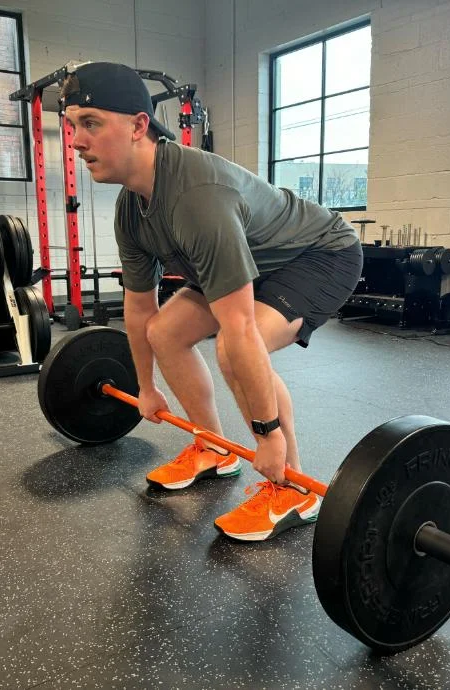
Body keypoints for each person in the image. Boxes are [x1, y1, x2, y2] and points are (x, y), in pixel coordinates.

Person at [60, 62, 363, 541]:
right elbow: (141, 309)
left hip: (316, 255)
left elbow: (240, 331)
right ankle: (214, 448)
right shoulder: (132, 209)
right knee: (166, 332)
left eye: (91, 123)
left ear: (139, 125)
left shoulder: (195, 198)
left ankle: (292, 489)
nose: (76, 141)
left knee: (234, 349)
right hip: (247, 258)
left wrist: (268, 436)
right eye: (73, 125)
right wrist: (145, 388)